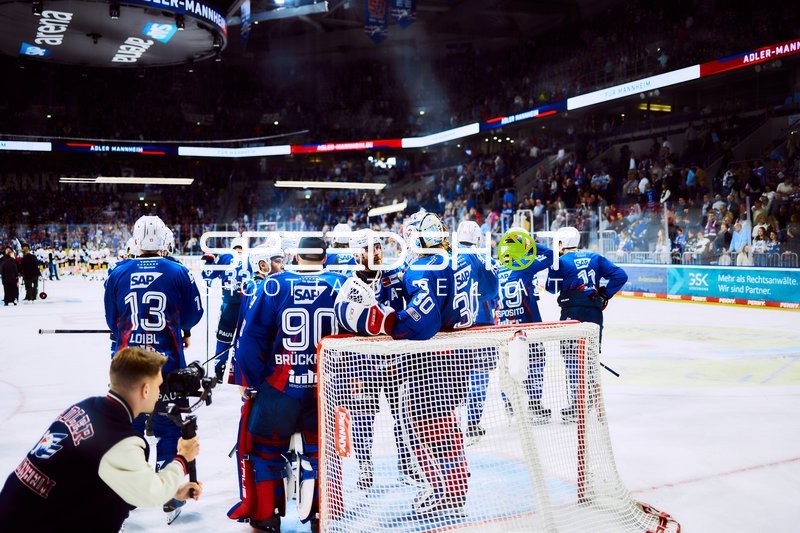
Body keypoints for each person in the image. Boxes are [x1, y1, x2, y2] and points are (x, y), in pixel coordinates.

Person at [336, 212, 495, 516]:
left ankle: (444, 490)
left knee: (424, 427)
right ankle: (455, 484)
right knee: (445, 425)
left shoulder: (420, 269)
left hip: (433, 362)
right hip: (460, 355)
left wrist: (388, 323)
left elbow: (423, 320)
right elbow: (491, 289)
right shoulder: (458, 258)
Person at [0, 347, 202, 531]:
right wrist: (183, 458)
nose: (160, 392)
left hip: (17, 512)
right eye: (158, 385)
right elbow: (152, 493)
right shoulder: (117, 441)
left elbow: (124, 481)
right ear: (145, 390)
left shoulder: (86, 407)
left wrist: (172, 490)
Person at [229, 236, 346, 532]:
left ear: (296, 256)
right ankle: (321, 513)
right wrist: (357, 377)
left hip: (281, 388)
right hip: (326, 388)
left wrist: (247, 379)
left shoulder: (274, 285)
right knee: (321, 452)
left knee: (265, 451)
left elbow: (252, 338)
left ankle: (266, 517)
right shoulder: (342, 283)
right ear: (324, 257)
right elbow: (358, 335)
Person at [104, 215, 204, 516]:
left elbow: (112, 319)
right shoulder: (178, 271)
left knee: (127, 425)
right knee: (170, 423)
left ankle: (129, 486)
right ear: (165, 240)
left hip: (127, 366)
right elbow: (193, 315)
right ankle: (170, 487)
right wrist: (179, 329)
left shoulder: (117, 272)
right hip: (167, 364)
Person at [338, 228, 406, 489]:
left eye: (378, 246)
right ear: (357, 253)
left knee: (403, 414)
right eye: (369, 248)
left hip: (396, 361)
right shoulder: (346, 285)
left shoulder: (395, 278)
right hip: (360, 364)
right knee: (363, 416)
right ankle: (365, 465)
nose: (376, 251)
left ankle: (406, 462)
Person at [545, 226, 628, 421]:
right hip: (593, 312)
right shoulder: (595, 258)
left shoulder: (560, 261)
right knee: (589, 356)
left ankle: (577, 404)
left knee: (572, 358)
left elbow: (551, 289)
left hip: (571, 313)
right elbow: (620, 276)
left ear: (561, 244)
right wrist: (604, 293)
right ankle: (590, 397)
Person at [494, 227, 554, 423]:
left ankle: (510, 403)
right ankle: (535, 404)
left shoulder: (495, 267)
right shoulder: (525, 265)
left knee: (506, 365)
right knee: (536, 361)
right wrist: (531, 244)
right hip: (528, 325)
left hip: (503, 327)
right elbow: (551, 255)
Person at [202, 235, 251, 381]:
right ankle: (243, 373)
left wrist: (208, 262)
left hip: (228, 305)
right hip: (247, 306)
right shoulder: (251, 258)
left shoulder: (224, 257)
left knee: (223, 340)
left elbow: (207, 275)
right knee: (246, 340)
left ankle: (219, 373)